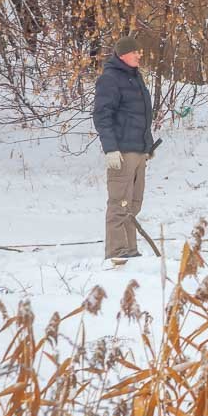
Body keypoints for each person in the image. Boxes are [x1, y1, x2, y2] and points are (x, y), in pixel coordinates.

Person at [93, 35, 155, 260]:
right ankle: (117, 253)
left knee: (133, 203)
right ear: (122, 55)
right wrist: (110, 148)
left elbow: (142, 116)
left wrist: (147, 146)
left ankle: (130, 250)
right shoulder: (110, 79)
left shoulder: (135, 78)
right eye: (135, 52)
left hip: (138, 152)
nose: (140, 55)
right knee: (119, 203)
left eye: (140, 51)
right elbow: (102, 115)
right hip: (122, 152)